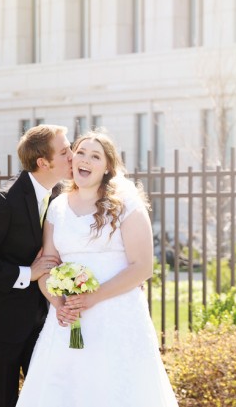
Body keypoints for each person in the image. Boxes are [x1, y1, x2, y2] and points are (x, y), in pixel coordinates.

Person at [16, 130, 178, 406]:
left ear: (107, 168)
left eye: (95, 156)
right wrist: (59, 304)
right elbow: (47, 268)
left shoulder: (126, 205)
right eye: (80, 152)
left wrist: (92, 297)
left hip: (117, 316)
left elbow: (142, 267)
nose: (85, 160)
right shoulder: (56, 208)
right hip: (69, 320)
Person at [0, 124, 77, 407]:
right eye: (64, 151)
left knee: (48, 395)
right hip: (1, 321)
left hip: (43, 319)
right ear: (43, 162)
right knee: (2, 400)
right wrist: (28, 273)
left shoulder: (61, 195)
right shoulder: (4, 200)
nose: (72, 155)